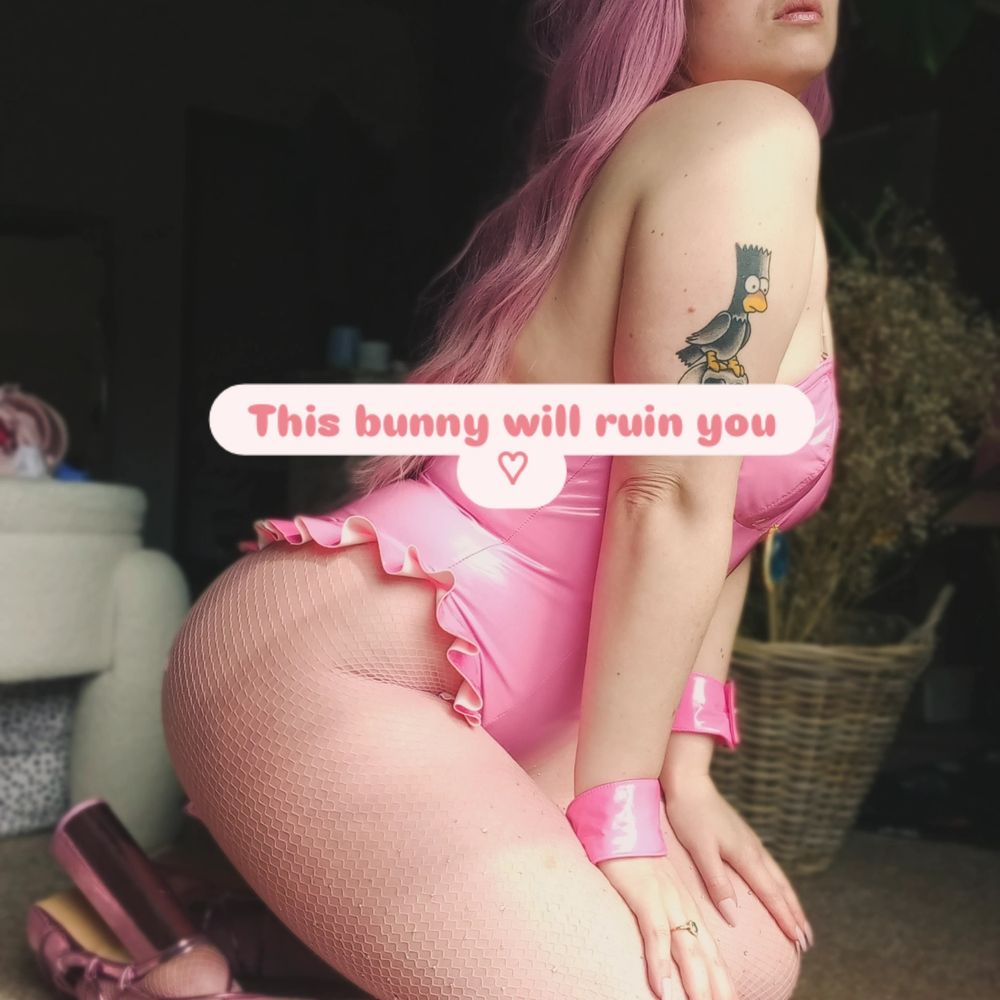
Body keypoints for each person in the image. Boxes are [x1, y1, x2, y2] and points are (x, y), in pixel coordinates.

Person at [162, 1, 841, 997]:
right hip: (355, 660)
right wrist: (622, 809)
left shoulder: (764, 164)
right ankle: (165, 948)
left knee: (750, 959)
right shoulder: (749, 132)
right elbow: (666, 491)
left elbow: (732, 517)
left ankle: (228, 935)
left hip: (521, 711)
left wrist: (684, 770)